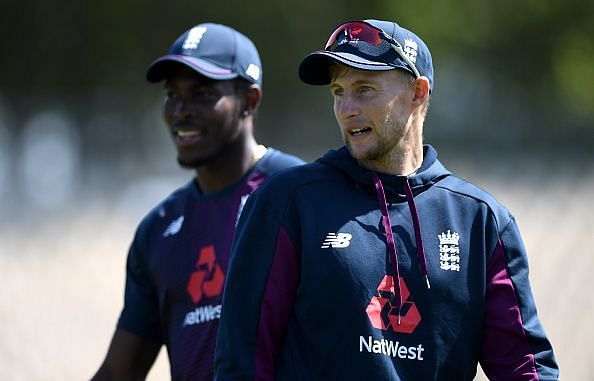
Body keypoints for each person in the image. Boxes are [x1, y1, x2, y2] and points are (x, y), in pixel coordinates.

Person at [214, 19, 559, 380]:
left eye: (364, 89)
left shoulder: (481, 220)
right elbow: (242, 361)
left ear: (418, 93)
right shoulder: (286, 203)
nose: (346, 108)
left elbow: (525, 367)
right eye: (337, 91)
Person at [91, 22, 304, 381]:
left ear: (249, 101)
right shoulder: (158, 228)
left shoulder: (299, 193)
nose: (181, 110)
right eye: (172, 94)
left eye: (202, 94)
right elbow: (119, 372)